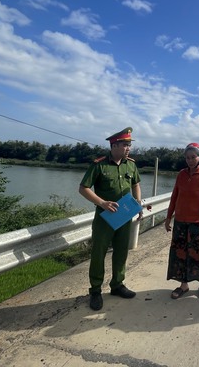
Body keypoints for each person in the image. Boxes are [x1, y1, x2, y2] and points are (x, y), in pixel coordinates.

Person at [79, 127, 143, 311]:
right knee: (99, 253)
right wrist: (102, 203)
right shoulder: (99, 165)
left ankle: (117, 285)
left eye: (129, 145)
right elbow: (83, 188)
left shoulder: (130, 164)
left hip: (124, 215)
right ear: (114, 145)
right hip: (104, 217)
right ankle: (95, 291)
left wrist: (137, 203)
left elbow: (136, 183)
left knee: (122, 251)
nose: (128, 148)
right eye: (125, 145)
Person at [164, 142, 199, 299]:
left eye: (193, 157)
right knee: (180, 253)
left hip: (197, 223)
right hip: (180, 221)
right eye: (187, 158)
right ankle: (183, 284)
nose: (190, 160)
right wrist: (168, 217)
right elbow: (174, 197)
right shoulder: (181, 175)